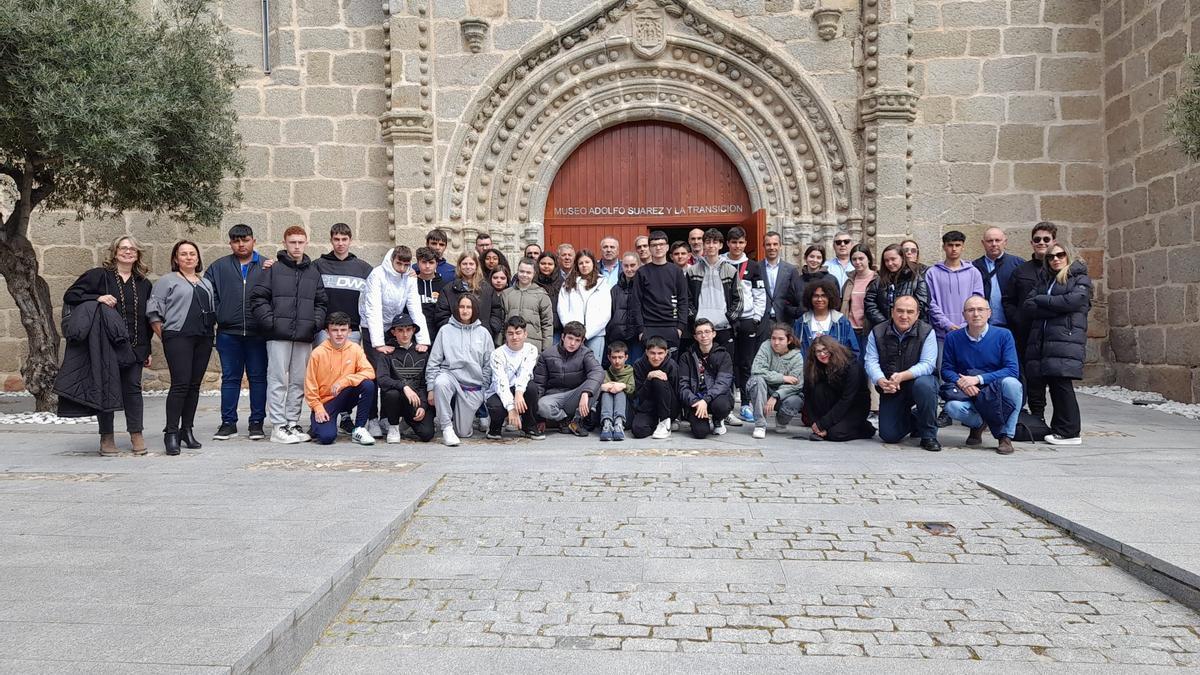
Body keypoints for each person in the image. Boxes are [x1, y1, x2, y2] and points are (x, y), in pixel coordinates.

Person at [62, 236, 153, 456]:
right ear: (114, 252)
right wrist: (98, 297)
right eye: (123, 248)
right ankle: (107, 437)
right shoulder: (98, 276)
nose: (128, 252)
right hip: (104, 346)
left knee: (133, 390)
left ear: (138, 254)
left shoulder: (144, 283)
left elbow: (147, 319)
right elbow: (71, 295)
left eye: (132, 249)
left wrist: (147, 348)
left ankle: (136, 434)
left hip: (134, 346)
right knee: (106, 390)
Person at [250, 226, 329, 445]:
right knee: (277, 380)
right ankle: (277, 425)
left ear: (306, 243)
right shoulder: (273, 270)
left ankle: (292, 422)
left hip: (304, 335)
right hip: (278, 335)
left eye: (300, 242)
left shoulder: (313, 272)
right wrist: (270, 323)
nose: (296, 246)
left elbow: (321, 301)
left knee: (298, 381)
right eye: (292, 242)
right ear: (285, 243)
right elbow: (258, 298)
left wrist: (314, 324)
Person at [148, 240, 216, 455]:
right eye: (184, 254)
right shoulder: (167, 281)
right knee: (180, 385)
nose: (188, 257)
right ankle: (171, 433)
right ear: (176, 258)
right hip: (179, 337)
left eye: (192, 254)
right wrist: (166, 336)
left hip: (203, 337)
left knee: (195, 385)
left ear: (198, 258)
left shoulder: (205, 283)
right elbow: (154, 311)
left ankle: (187, 429)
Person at [205, 224, 271, 442]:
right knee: (230, 378)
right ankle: (228, 423)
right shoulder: (219, 266)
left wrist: (266, 320)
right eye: (236, 241)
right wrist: (219, 314)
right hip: (228, 333)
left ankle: (256, 423)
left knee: (258, 378)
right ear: (230, 243)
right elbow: (209, 295)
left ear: (254, 241)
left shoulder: (266, 265)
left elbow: (276, 295)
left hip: (257, 333)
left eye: (245, 240)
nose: (241, 245)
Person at [1022, 243, 1092, 445]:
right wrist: (1056, 306)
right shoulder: (1045, 279)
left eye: (1060, 255)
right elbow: (1028, 305)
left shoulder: (1079, 278)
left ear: (1068, 256)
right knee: (1054, 384)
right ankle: (1060, 427)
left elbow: (1074, 302)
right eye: (1051, 256)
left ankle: (1070, 431)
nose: (1055, 259)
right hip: (1045, 341)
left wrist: (1043, 301)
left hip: (1065, 339)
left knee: (1062, 384)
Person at [360, 245, 430, 436]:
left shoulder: (409, 276)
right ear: (392, 260)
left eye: (405, 265)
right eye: (398, 264)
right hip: (371, 327)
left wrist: (422, 340)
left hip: (394, 326)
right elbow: (373, 308)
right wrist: (378, 344)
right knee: (375, 374)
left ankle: (386, 417)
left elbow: (414, 306)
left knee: (392, 372)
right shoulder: (377, 274)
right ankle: (372, 419)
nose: (401, 268)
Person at [941, 296, 1021, 455]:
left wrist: (978, 379)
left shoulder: (1003, 335)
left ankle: (1005, 435)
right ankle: (978, 424)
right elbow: (946, 370)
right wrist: (962, 382)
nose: (976, 314)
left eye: (980, 310)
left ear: (989, 313)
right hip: (968, 392)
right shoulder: (953, 338)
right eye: (971, 310)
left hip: (995, 388)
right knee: (951, 407)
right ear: (964, 315)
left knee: (1013, 384)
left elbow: (1012, 369)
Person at [864, 295, 941, 451]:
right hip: (891, 387)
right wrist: (880, 380)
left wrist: (903, 375)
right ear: (892, 311)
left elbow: (928, 364)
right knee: (889, 435)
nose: (904, 316)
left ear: (917, 314)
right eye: (900, 311)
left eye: (909, 312)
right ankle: (916, 419)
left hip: (917, 383)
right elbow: (870, 361)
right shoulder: (878, 331)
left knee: (925, 384)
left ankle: (928, 435)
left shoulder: (927, 332)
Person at [1005, 222, 1057, 420]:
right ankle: (1037, 417)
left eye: (1046, 239)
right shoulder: (1021, 271)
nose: (1042, 243)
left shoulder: (1062, 269)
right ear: (1031, 243)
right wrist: (1018, 319)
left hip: (1053, 332)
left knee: (1055, 378)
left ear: (1054, 242)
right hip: (1027, 332)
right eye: (1037, 240)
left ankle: (1060, 420)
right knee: (1031, 376)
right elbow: (1008, 300)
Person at [427, 294, 494, 446]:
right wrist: (431, 387)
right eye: (462, 307)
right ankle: (446, 427)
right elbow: (434, 361)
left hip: (472, 386)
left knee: (463, 433)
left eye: (468, 307)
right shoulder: (445, 330)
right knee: (440, 383)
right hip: (450, 376)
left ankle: (459, 423)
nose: (464, 311)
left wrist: (483, 389)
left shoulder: (483, 333)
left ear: (474, 309)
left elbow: (488, 365)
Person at [303, 312, 376, 446]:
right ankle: (318, 425)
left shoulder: (355, 349)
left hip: (345, 395)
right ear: (327, 332)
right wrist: (317, 407)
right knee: (327, 438)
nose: (339, 334)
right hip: (326, 402)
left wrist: (345, 381)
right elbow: (310, 386)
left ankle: (359, 429)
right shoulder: (317, 353)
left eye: (343, 330)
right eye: (335, 330)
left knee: (368, 384)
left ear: (349, 331)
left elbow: (370, 372)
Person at [721, 226, 766, 425]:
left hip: (747, 319)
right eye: (733, 242)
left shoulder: (754, 266)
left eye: (740, 242)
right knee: (727, 363)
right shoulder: (720, 263)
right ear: (727, 243)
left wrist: (756, 318)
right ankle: (727, 405)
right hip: (726, 320)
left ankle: (746, 404)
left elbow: (759, 294)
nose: (737, 246)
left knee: (746, 363)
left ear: (745, 244)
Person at [531, 321, 604, 436]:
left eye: (577, 340)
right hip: (554, 398)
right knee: (542, 405)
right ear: (562, 337)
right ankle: (565, 420)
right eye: (570, 338)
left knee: (596, 385)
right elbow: (539, 385)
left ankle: (576, 420)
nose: (572, 343)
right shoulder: (547, 354)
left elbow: (597, 372)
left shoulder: (586, 353)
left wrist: (586, 392)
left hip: (575, 396)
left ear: (582, 341)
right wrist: (540, 419)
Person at [802, 335, 876, 442]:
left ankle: (865, 428)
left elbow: (847, 399)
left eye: (825, 350)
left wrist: (824, 423)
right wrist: (816, 423)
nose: (822, 354)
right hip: (833, 403)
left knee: (834, 434)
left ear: (832, 349)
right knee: (818, 389)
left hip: (854, 405)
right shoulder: (814, 367)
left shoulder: (851, 365)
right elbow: (808, 395)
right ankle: (825, 428)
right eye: (818, 351)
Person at [377, 312, 435, 443]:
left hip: (416, 400)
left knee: (427, 434)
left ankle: (408, 421)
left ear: (413, 331)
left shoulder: (422, 353)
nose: (405, 334)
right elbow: (382, 379)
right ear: (393, 332)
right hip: (396, 398)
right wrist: (404, 386)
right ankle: (393, 426)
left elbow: (425, 383)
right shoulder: (387, 353)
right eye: (400, 330)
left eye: (408, 330)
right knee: (392, 394)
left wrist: (423, 406)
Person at [686, 229, 742, 366]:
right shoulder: (692, 270)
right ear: (703, 245)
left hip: (724, 327)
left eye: (715, 242)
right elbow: (686, 299)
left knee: (726, 364)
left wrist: (729, 317)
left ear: (721, 245)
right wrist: (694, 317)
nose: (711, 246)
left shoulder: (730, 270)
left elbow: (739, 299)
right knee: (701, 366)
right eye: (708, 242)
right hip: (701, 329)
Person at [313, 223, 372, 344]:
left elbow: (384, 281)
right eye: (336, 239)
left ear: (350, 240)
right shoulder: (317, 265)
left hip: (352, 331)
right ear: (331, 240)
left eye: (344, 239)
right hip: (324, 331)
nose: (340, 243)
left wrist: (410, 273)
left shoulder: (363, 268)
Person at [485, 316, 543, 440]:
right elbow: (501, 382)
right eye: (510, 333)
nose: (515, 337)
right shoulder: (497, 354)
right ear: (505, 335)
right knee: (495, 406)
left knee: (532, 388)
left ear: (525, 334)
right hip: (500, 391)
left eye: (518, 333)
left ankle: (529, 426)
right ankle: (495, 427)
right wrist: (511, 408)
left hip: (519, 389)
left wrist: (519, 393)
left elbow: (525, 373)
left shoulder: (531, 349)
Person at [631, 231, 690, 352]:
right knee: (649, 367)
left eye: (661, 244)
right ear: (650, 248)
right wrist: (641, 329)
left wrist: (680, 327)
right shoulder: (642, 272)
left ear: (667, 247)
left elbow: (683, 300)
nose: (658, 248)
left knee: (671, 366)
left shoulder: (676, 271)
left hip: (671, 327)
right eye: (654, 245)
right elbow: (636, 303)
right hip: (649, 328)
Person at [678, 319, 735, 439]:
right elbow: (683, 386)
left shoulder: (724, 355)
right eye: (699, 333)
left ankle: (718, 419)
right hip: (696, 399)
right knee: (700, 433)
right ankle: (701, 417)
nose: (703, 335)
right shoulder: (686, 356)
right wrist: (695, 401)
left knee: (721, 405)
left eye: (707, 331)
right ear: (695, 336)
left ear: (714, 334)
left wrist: (706, 400)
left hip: (715, 398)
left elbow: (723, 383)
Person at [747, 323, 805, 439]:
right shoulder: (766, 346)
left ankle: (781, 421)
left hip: (783, 395)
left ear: (789, 340)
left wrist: (776, 396)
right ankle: (760, 424)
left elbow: (797, 384)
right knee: (757, 380)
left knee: (796, 400)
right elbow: (757, 370)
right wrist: (782, 378)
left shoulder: (797, 357)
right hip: (763, 390)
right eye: (773, 338)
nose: (776, 342)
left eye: (781, 339)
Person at [926, 230, 985, 344]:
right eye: (950, 245)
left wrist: (965, 324)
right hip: (941, 335)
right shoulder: (932, 273)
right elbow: (930, 302)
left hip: (969, 332)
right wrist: (947, 324)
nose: (954, 249)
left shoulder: (973, 272)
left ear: (963, 247)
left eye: (957, 245)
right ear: (944, 247)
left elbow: (978, 301)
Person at [434, 252, 504, 337]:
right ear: (459, 266)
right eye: (464, 264)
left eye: (471, 264)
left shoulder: (487, 289)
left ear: (476, 266)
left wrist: (490, 329)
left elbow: (496, 311)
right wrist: (453, 330)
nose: (468, 267)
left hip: (481, 337)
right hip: (455, 337)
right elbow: (441, 315)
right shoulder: (448, 290)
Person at [557, 250, 612, 358]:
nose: (584, 265)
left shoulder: (602, 283)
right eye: (581, 263)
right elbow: (562, 309)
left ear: (593, 263)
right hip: (573, 336)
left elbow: (605, 313)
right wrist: (573, 331)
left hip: (595, 335)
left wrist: (586, 334)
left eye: (587, 262)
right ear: (577, 265)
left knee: (592, 368)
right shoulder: (568, 283)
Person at [865, 243, 929, 325]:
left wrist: (903, 323)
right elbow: (870, 303)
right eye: (886, 260)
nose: (890, 263)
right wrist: (884, 324)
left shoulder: (916, 279)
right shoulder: (878, 280)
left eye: (893, 259)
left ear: (902, 258)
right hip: (883, 329)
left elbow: (922, 306)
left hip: (911, 329)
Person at [795, 278, 859, 360]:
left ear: (830, 298)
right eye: (816, 296)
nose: (819, 299)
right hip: (809, 369)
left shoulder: (841, 322)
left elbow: (853, 351)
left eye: (823, 296)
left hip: (836, 370)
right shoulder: (802, 322)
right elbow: (795, 350)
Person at [973, 227, 1024, 328]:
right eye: (990, 241)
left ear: (1005, 242)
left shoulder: (1018, 264)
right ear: (983, 243)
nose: (994, 244)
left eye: (998, 240)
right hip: (984, 326)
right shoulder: (974, 267)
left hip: (1012, 325)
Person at [502, 258, 554, 353]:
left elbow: (547, 323)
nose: (524, 275)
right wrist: (499, 343)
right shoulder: (506, 294)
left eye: (528, 272)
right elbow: (502, 321)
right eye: (521, 271)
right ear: (517, 272)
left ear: (534, 274)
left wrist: (546, 349)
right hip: (510, 345)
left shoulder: (541, 294)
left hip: (533, 346)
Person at [631, 337, 678, 439]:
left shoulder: (671, 365)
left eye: (660, 353)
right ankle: (658, 424)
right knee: (638, 430)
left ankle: (665, 422)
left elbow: (676, 391)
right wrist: (648, 378)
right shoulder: (639, 365)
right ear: (647, 352)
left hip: (668, 407)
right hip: (648, 407)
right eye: (652, 353)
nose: (656, 357)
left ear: (666, 353)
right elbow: (640, 395)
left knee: (658, 380)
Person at [759, 230, 802, 331]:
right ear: (764, 246)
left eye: (775, 244)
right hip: (763, 320)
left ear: (780, 246)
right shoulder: (756, 268)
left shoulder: (791, 270)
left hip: (785, 319)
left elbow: (795, 297)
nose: (772, 248)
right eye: (768, 244)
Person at [606, 252, 642, 366]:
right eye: (626, 266)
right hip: (618, 336)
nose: (629, 269)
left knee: (635, 367)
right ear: (622, 266)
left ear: (639, 265)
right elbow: (610, 313)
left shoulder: (644, 287)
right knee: (618, 368)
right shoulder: (615, 290)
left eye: (632, 265)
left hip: (637, 337)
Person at [841, 244, 877, 350]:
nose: (857, 262)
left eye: (861, 258)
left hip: (869, 328)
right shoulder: (849, 281)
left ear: (869, 259)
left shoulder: (877, 279)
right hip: (850, 329)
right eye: (854, 259)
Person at [597, 341, 634, 441]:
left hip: (626, 413)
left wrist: (623, 386)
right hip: (605, 413)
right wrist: (602, 387)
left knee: (620, 392)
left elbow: (634, 391)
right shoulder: (604, 373)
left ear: (626, 357)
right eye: (614, 357)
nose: (617, 361)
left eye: (620, 357)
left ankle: (619, 424)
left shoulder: (631, 372)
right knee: (606, 392)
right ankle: (607, 424)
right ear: (609, 357)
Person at [412, 246, 447, 342]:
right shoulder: (411, 284)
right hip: (415, 335)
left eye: (431, 262)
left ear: (437, 264)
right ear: (418, 263)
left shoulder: (445, 286)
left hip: (439, 334)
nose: (427, 266)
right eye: (424, 262)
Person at [486, 266, 512, 344]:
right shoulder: (486, 294)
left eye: (502, 278)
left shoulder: (510, 295)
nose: (498, 281)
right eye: (495, 277)